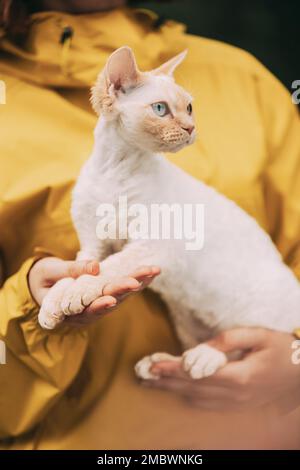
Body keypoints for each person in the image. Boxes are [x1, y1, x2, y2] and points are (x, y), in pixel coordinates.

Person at [0, 0, 300, 450]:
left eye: (190, 111)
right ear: (114, 90)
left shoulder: (243, 77)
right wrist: (30, 309)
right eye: (165, 111)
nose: (189, 128)